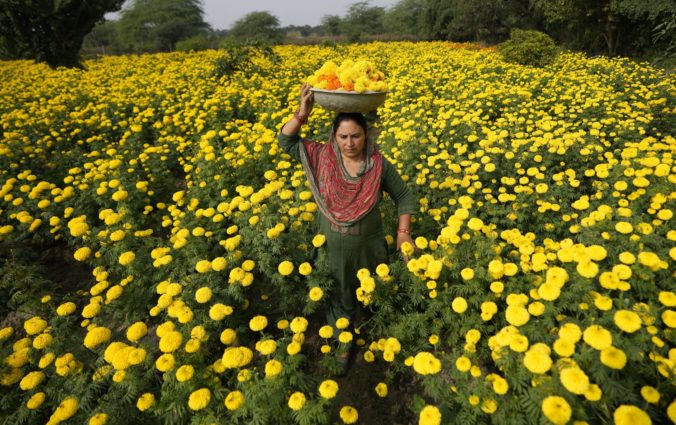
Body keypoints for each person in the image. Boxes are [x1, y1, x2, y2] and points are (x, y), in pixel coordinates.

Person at [277, 83, 416, 372]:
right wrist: (302, 114)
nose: (349, 143)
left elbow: (404, 196)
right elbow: (286, 142)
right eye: (343, 136)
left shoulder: (377, 165)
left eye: (356, 136)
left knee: (371, 291)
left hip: (370, 246)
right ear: (334, 136)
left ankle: (368, 324)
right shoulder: (321, 157)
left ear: (367, 136)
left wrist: (404, 234)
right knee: (339, 292)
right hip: (333, 246)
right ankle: (343, 339)